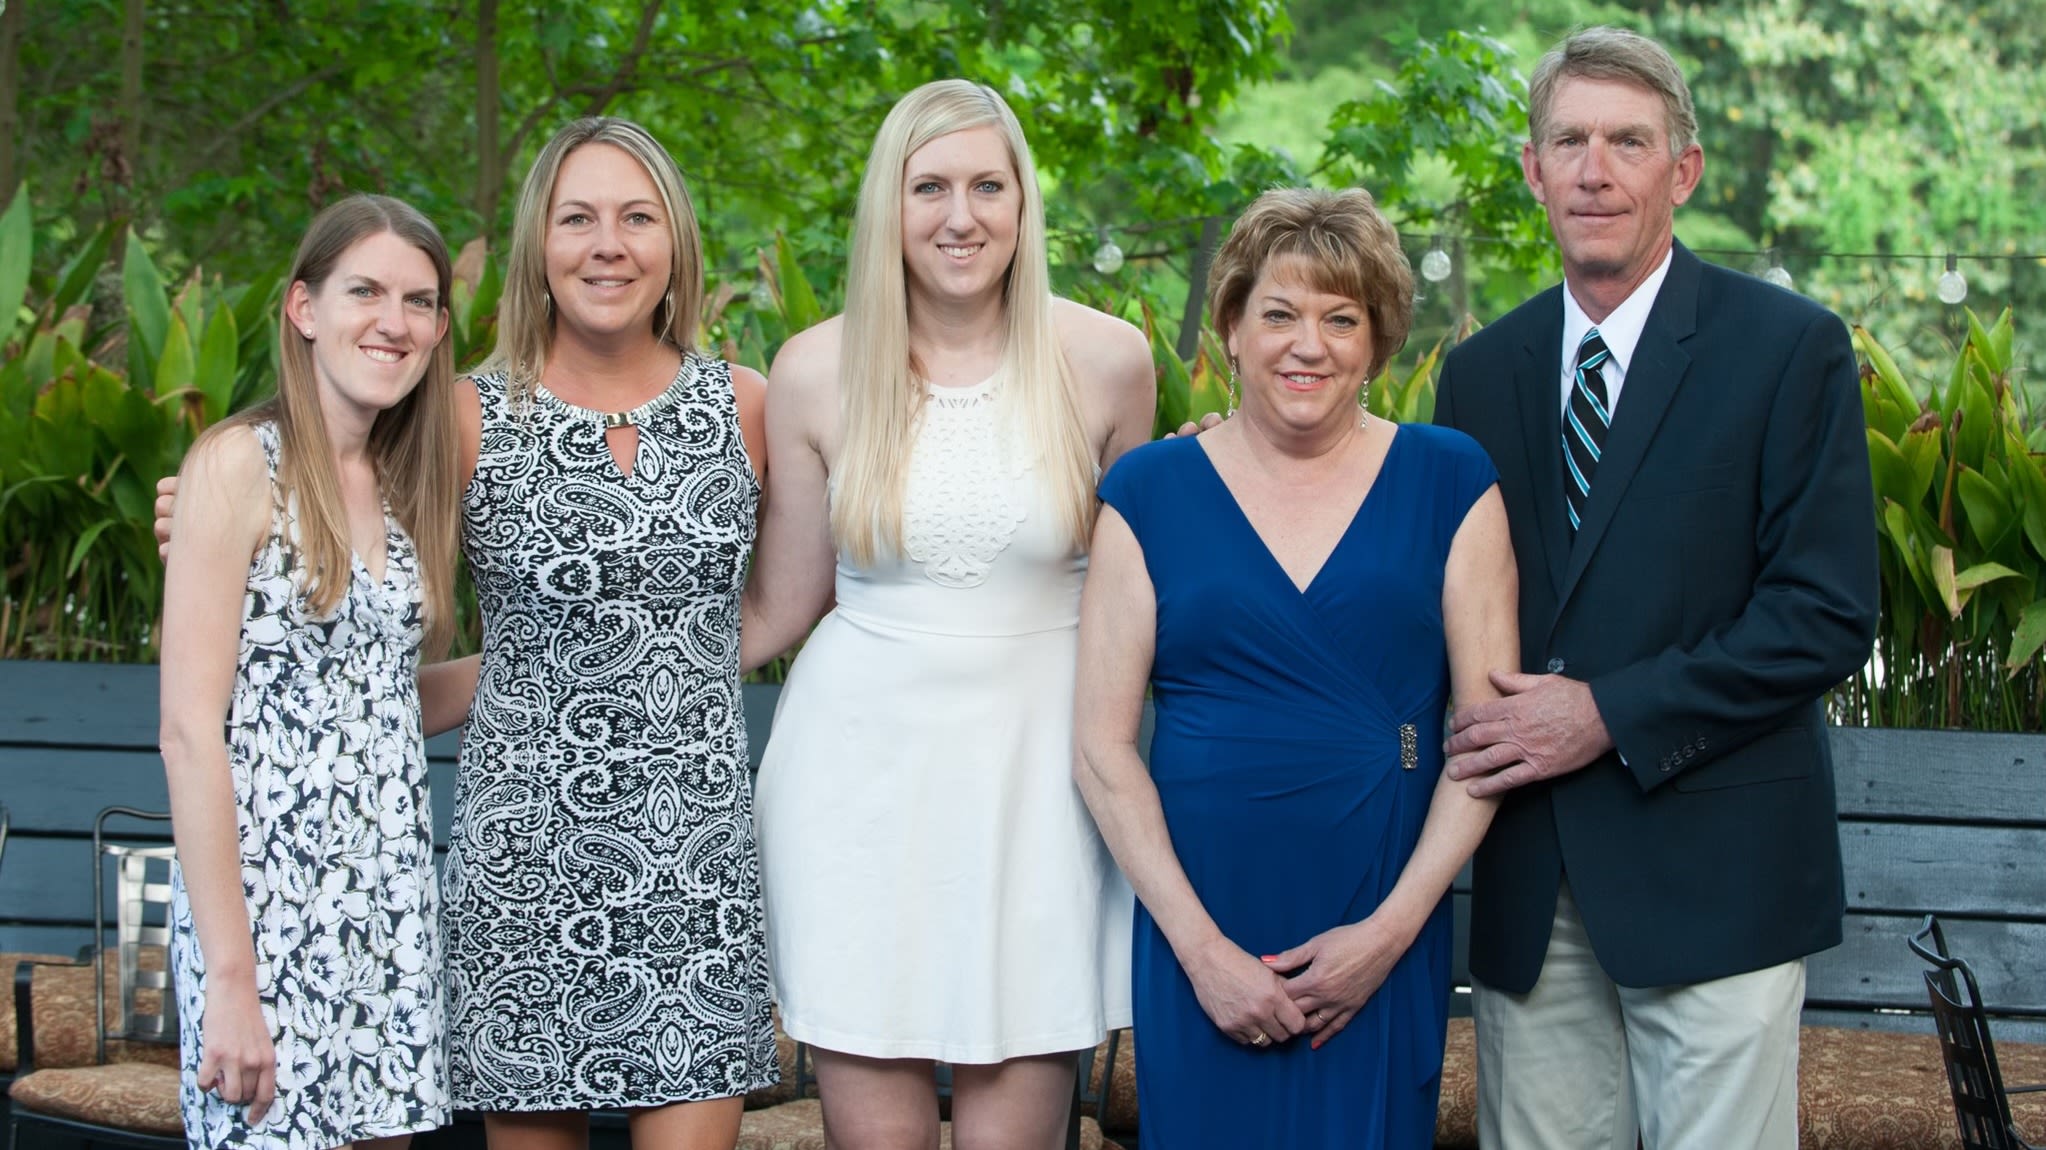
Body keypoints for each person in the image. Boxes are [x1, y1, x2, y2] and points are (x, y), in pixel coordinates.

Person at [1431, 27, 1879, 1150]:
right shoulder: (1480, 374)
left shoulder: (1789, 348)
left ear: (1682, 169)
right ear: (1531, 170)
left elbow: (1823, 612)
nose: (1596, 170)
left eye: (1628, 142)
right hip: (1534, 880)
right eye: (1569, 141)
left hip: (1716, 873)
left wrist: (1606, 713)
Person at [739, 79, 1155, 1148]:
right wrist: (604, 671)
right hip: (856, 787)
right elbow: (785, 602)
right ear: (891, 204)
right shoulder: (817, 369)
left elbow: (1138, 604)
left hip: (1039, 783)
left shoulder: (1108, 362)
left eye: (985, 184)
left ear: (1023, 204)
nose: (959, 215)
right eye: (929, 186)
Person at [1074, 187, 1517, 1148]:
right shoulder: (1148, 489)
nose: (1306, 345)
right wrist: (1203, 953)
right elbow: (1103, 751)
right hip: (1202, 926)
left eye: (1339, 319)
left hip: (1380, 926)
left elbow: (1483, 745)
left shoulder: (1452, 480)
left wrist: (1389, 938)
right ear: (1231, 328)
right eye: (1277, 314)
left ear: (1378, 340)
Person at [441, 117, 775, 1150]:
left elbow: (845, 567)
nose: (608, 244)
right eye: (577, 218)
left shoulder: (747, 406)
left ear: (673, 241)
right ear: (539, 243)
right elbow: (350, 567)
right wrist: (223, 507)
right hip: (526, 856)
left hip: (698, 862)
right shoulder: (465, 414)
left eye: (637, 218)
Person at [160, 194, 462, 1150]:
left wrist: (549, 661)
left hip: (384, 899)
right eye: (364, 291)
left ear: (439, 328)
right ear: (303, 307)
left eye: (418, 300)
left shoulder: (411, 485)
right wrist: (231, 980)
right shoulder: (236, 466)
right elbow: (189, 731)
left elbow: (372, 706)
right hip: (267, 909)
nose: (393, 321)